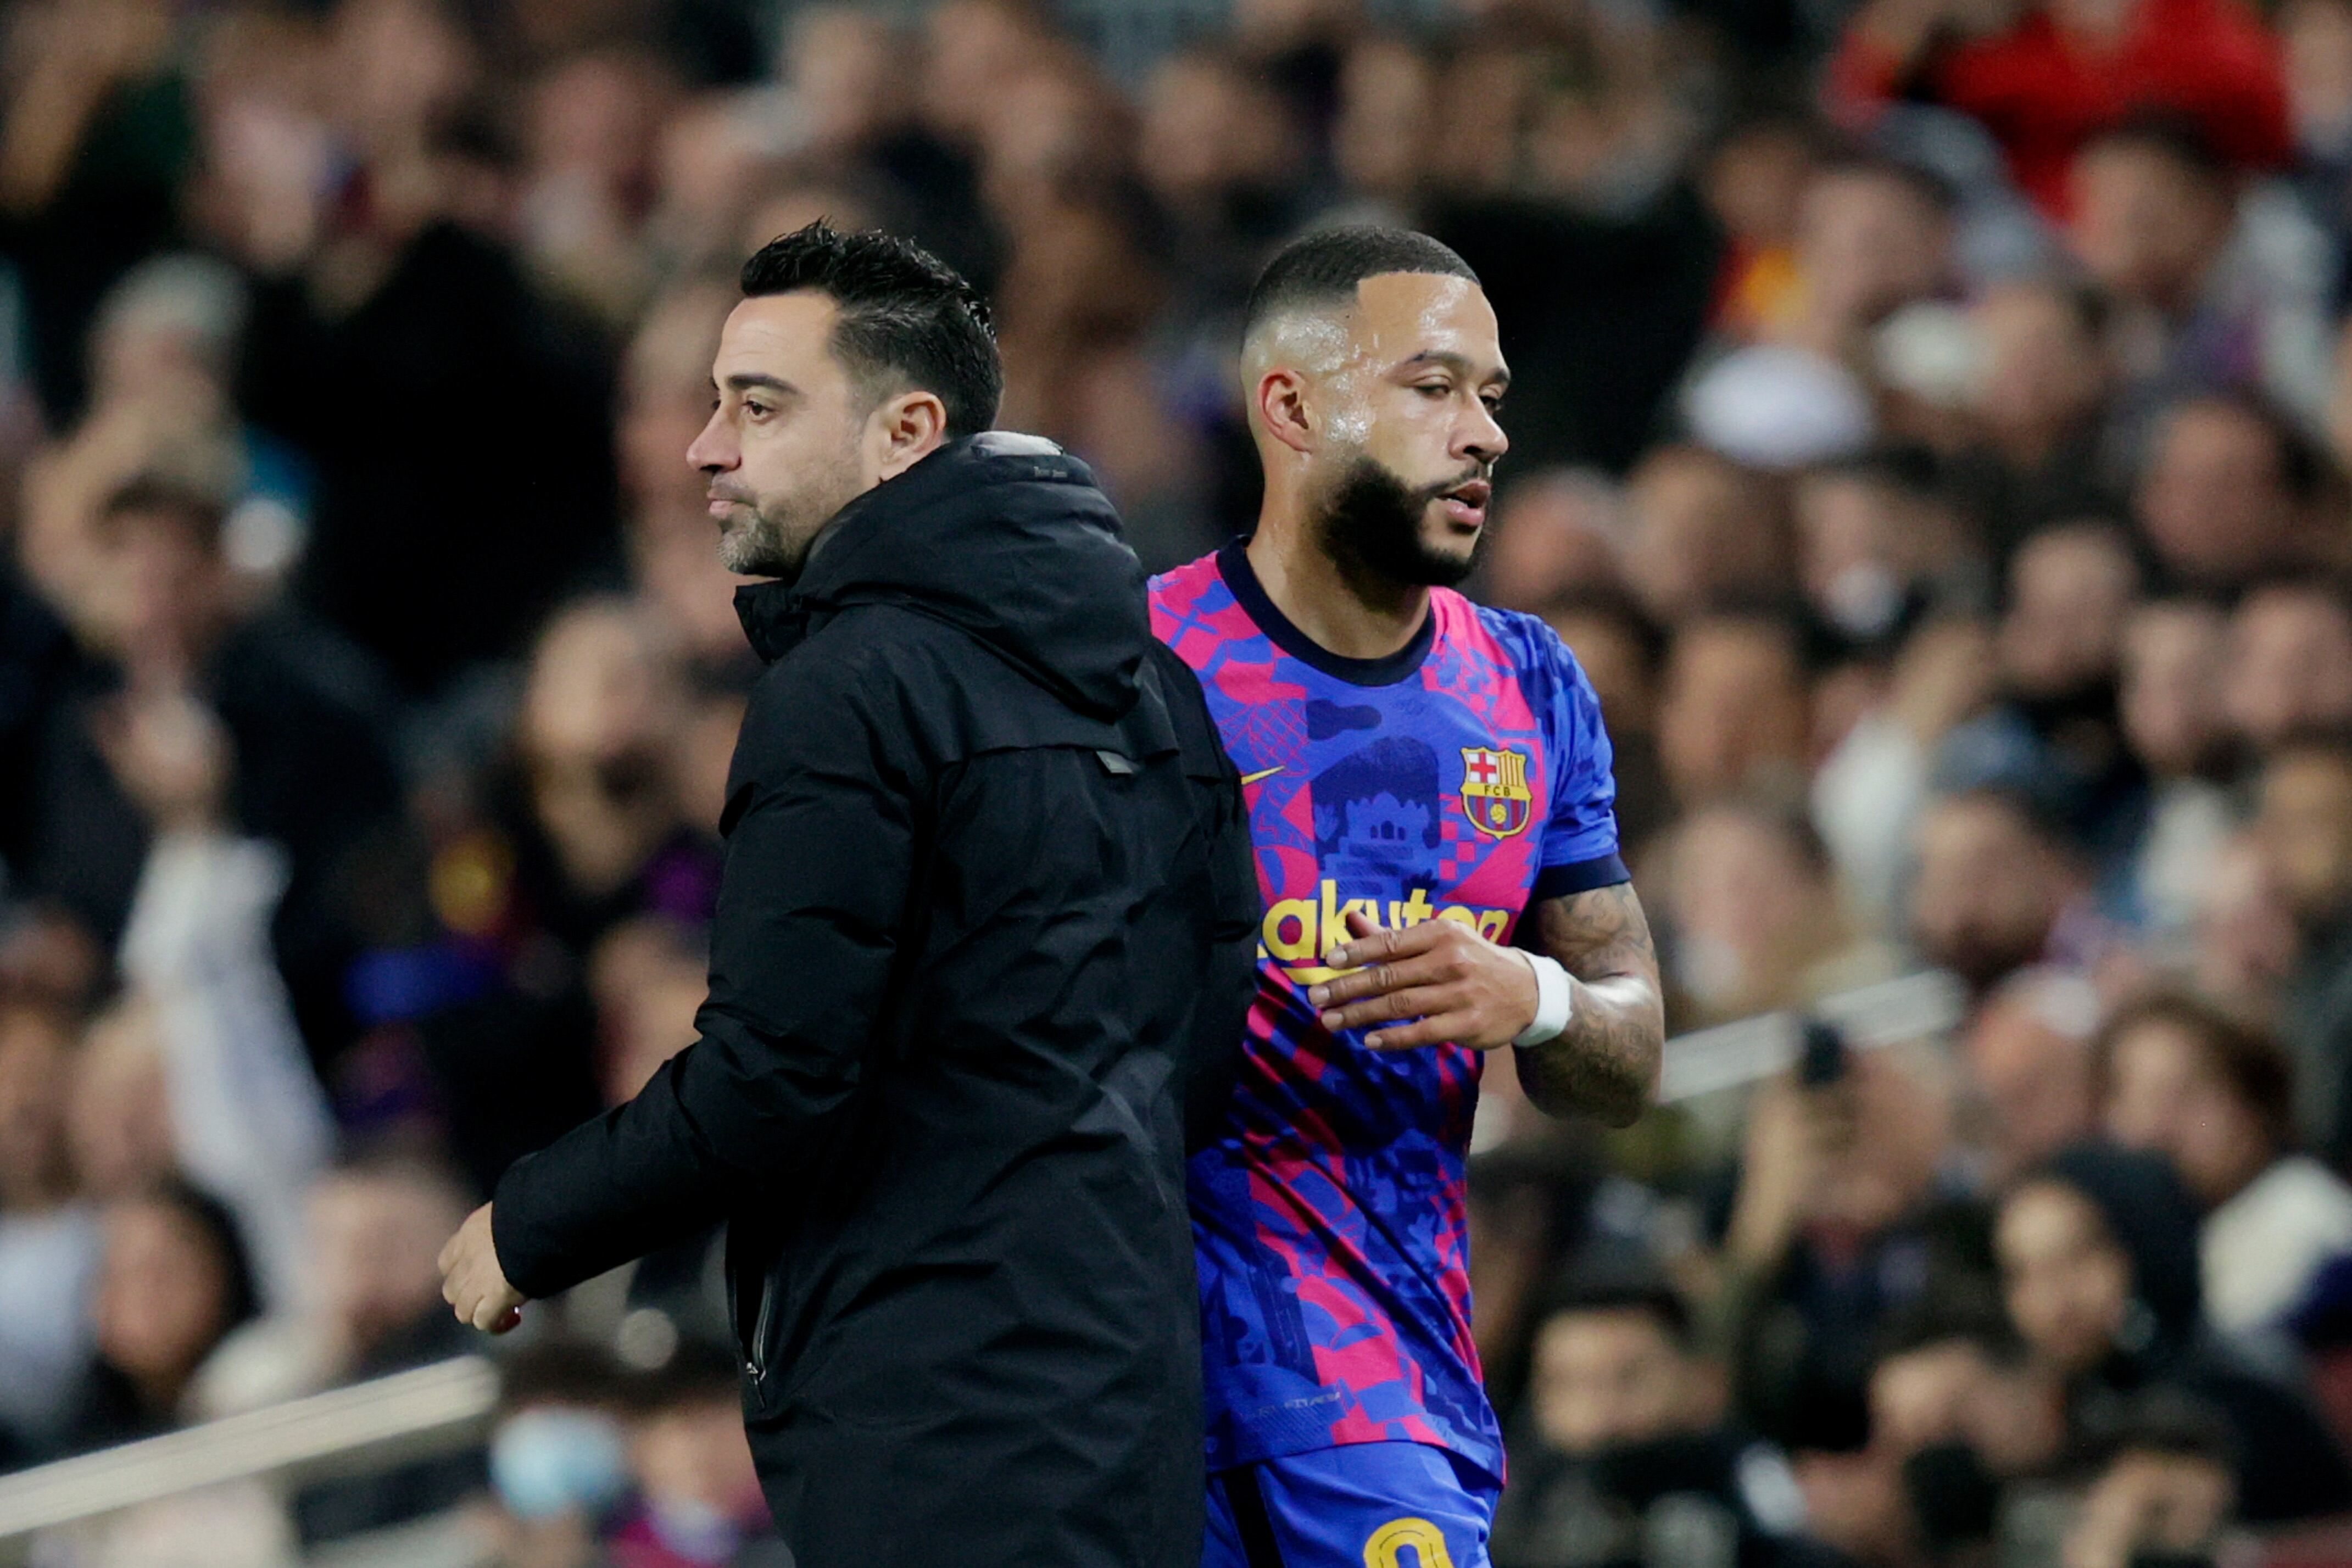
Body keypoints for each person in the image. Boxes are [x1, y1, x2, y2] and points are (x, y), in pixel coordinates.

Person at [438, 222, 1257, 1568]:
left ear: (903, 432)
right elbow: (1205, 1044)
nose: (707, 447)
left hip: (928, 1409)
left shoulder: (847, 687)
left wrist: (528, 1228)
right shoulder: (1153, 685)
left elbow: (775, 1073)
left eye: (756, 406)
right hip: (1128, 1383)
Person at [1150, 227, 1665, 1568]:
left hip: (1376, 1375)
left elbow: (1627, 1052)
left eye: (1491, 396)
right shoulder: (1125, 663)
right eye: (1433, 387)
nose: (1484, 432)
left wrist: (1530, 998)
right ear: (1291, 406)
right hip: (1115, 1373)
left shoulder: (1531, 686)